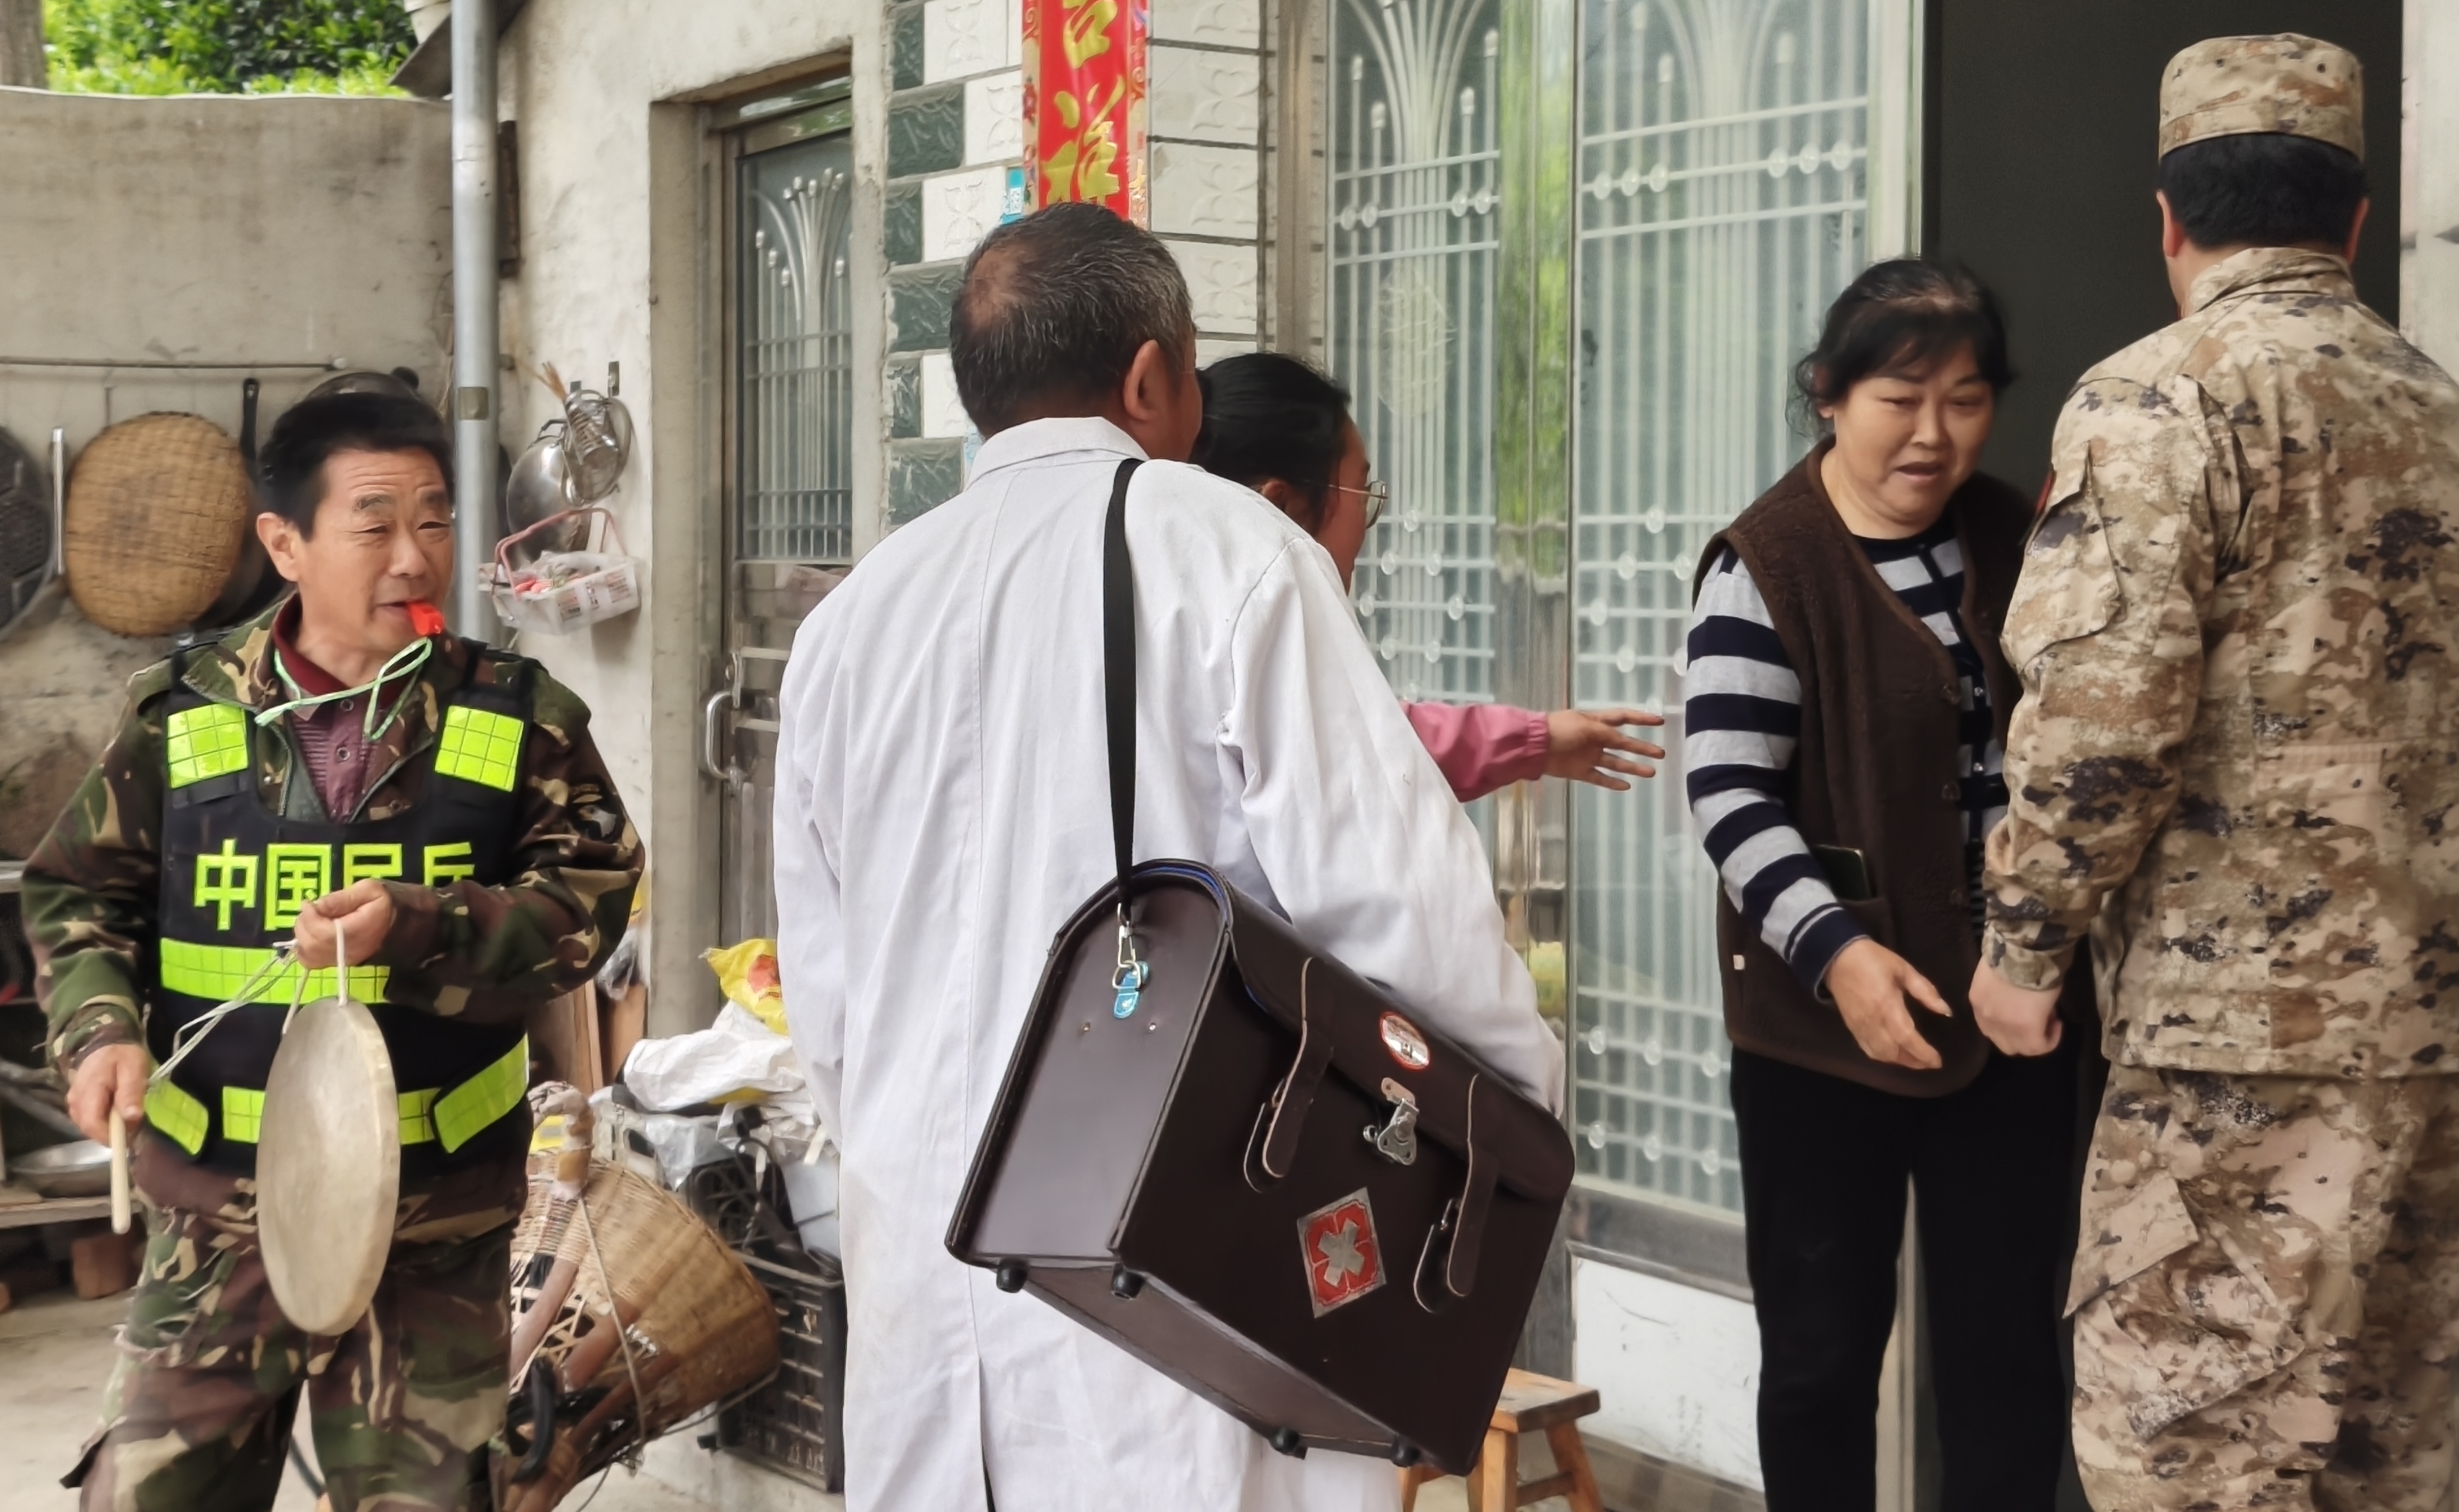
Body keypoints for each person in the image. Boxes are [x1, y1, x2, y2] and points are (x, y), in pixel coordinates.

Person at [771, 204, 1558, 1512]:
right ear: (1150, 378)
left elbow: (832, 1009)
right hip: (1174, 1305)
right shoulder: (1232, 553)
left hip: (931, 1287)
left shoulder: (848, 623)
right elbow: (1402, 917)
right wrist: (1514, 1146)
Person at [1969, 35, 2459, 1511]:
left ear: (2167, 218)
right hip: (2451, 1024)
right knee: (2380, 1454)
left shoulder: (2156, 401)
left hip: (2246, 1034)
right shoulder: (2447, 413)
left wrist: (2021, 947)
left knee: (2188, 1452)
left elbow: (2102, 717)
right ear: (2354, 220)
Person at [27, 387, 643, 1510]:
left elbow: (589, 907)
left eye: (436, 520)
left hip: (435, 1220)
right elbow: (80, 893)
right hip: (219, 1211)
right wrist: (101, 1031)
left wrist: (421, 924)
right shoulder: (183, 717)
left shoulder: (517, 717)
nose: (414, 556)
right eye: (375, 524)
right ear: (285, 544)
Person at [1684, 260, 2081, 1512]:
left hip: (2009, 1012)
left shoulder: (2013, 534)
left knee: (2006, 1351)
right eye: (1898, 399)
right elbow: (1729, 794)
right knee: (1820, 1357)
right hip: (1820, 1030)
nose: (1931, 434)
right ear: (1827, 394)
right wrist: (1837, 957)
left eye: (1964, 400)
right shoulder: (1769, 563)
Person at [1192, 350, 1664, 800]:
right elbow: (1367, 751)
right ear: (1282, 506)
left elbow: (1373, 738)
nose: (1367, 526)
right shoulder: (1254, 666)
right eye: (1361, 493)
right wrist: (1532, 741)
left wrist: (1534, 741)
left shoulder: (1191, 630)